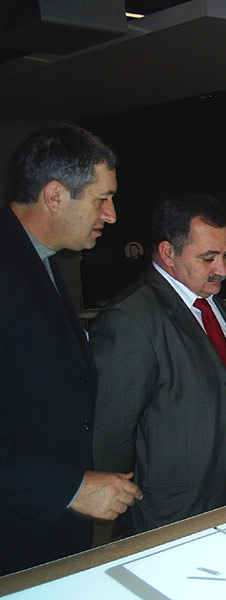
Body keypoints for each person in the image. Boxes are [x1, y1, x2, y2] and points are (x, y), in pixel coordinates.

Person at [0, 123, 142, 576]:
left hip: (44, 525)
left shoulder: (40, 258)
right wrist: (69, 488)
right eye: (102, 199)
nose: (112, 215)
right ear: (56, 196)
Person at [91, 193, 226, 535]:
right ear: (167, 253)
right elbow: (112, 436)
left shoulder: (207, 297)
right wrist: (139, 504)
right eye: (209, 258)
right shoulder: (131, 319)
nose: (223, 270)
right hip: (178, 510)